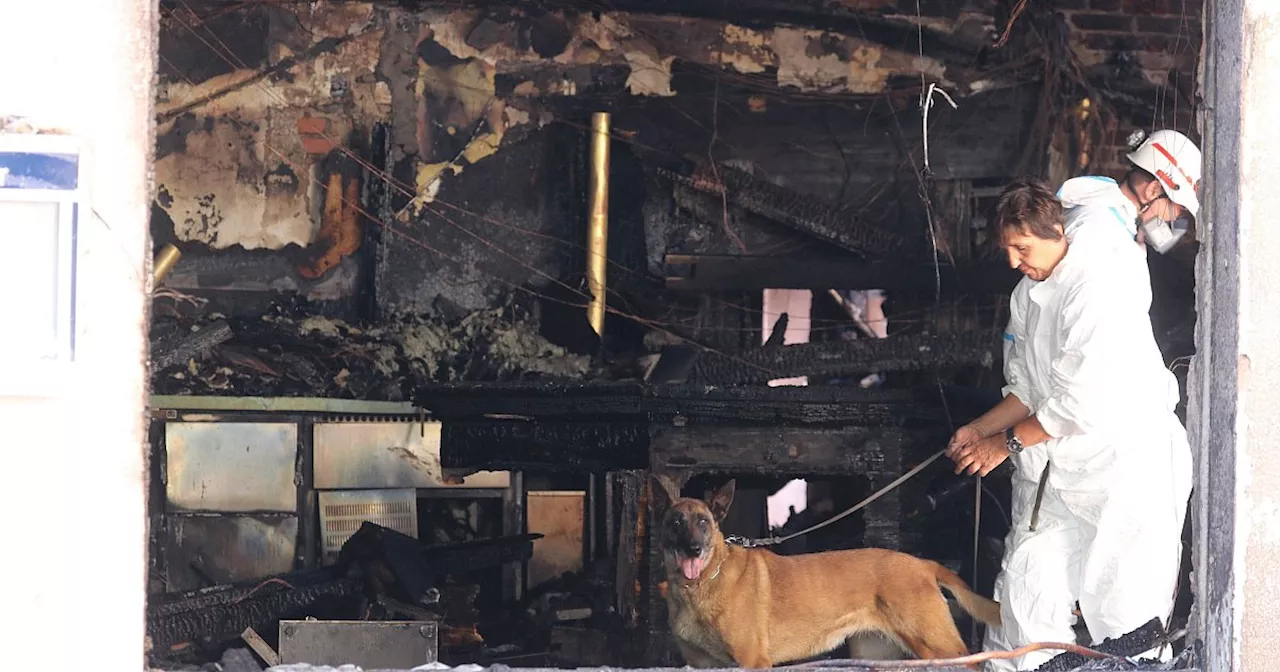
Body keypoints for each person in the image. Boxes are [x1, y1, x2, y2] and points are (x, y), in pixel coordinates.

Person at [944, 178, 1192, 672]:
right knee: (1028, 583)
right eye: (1007, 250)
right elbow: (1029, 390)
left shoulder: (1096, 280)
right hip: (1062, 474)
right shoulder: (1027, 296)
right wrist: (981, 427)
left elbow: (1079, 402)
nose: (1014, 261)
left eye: (1022, 247)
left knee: (1122, 605)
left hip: (1123, 466)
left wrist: (1003, 445)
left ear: (1055, 231)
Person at [1054, 129, 1202, 254]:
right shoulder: (1110, 236)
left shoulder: (1097, 197)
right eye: (1179, 210)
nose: (1174, 219)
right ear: (1153, 190)